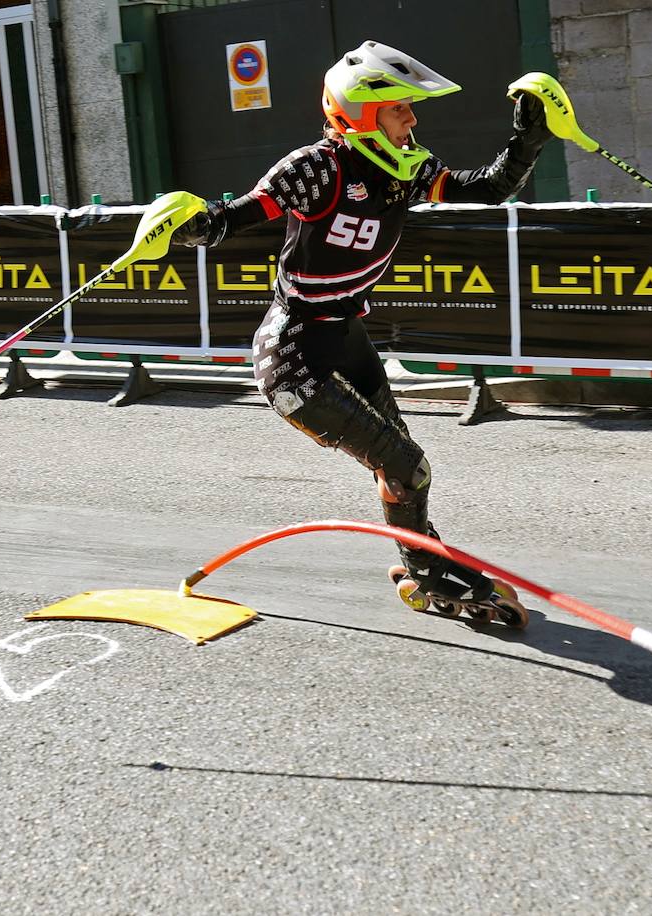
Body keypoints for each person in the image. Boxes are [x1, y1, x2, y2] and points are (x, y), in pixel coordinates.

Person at [173, 40, 553, 624]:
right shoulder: (315, 169)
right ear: (362, 111)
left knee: (403, 469)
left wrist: (529, 135)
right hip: (294, 356)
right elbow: (231, 219)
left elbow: (485, 189)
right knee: (407, 466)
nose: (414, 118)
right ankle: (428, 570)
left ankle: (420, 563)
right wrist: (189, 224)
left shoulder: (409, 168)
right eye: (402, 107)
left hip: (348, 341)